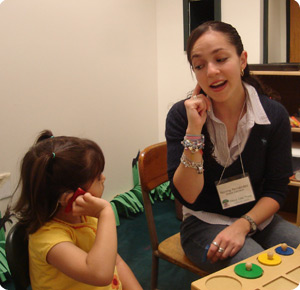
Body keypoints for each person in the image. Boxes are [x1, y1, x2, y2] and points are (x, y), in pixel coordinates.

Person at [165, 21, 300, 273]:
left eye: (221, 58)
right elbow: (187, 196)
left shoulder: (274, 115)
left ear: (242, 60)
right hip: (204, 221)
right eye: (199, 65)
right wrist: (194, 131)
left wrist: (242, 225)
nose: (211, 71)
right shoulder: (182, 116)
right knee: (260, 269)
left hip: (258, 218)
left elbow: (276, 190)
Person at [11, 130, 142, 290]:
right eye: (97, 177)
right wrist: (106, 212)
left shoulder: (87, 217)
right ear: (72, 198)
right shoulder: (49, 240)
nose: (104, 178)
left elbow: (117, 263)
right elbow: (100, 274)